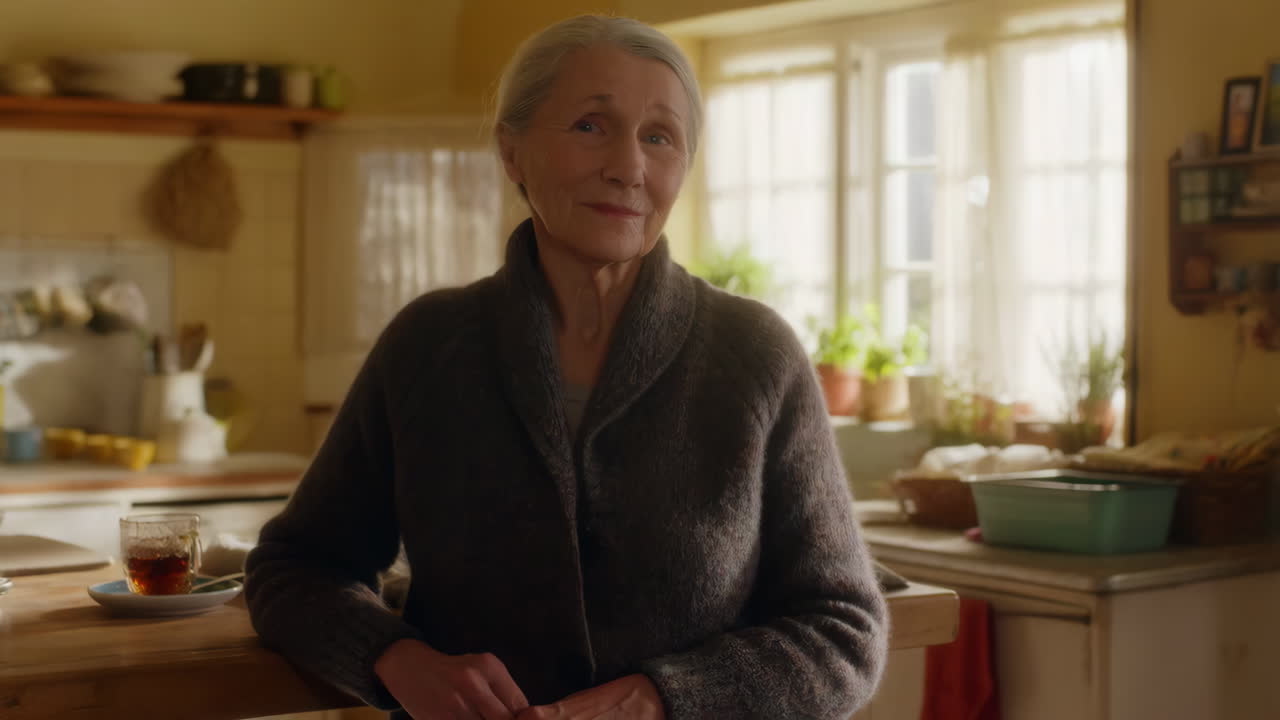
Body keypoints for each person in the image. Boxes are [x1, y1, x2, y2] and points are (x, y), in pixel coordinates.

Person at [245, 14, 888, 720]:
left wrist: (660, 701)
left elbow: (843, 630)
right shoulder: (428, 346)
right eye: (590, 125)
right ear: (511, 152)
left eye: (659, 137)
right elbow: (294, 568)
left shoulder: (756, 355)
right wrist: (396, 658)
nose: (628, 167)